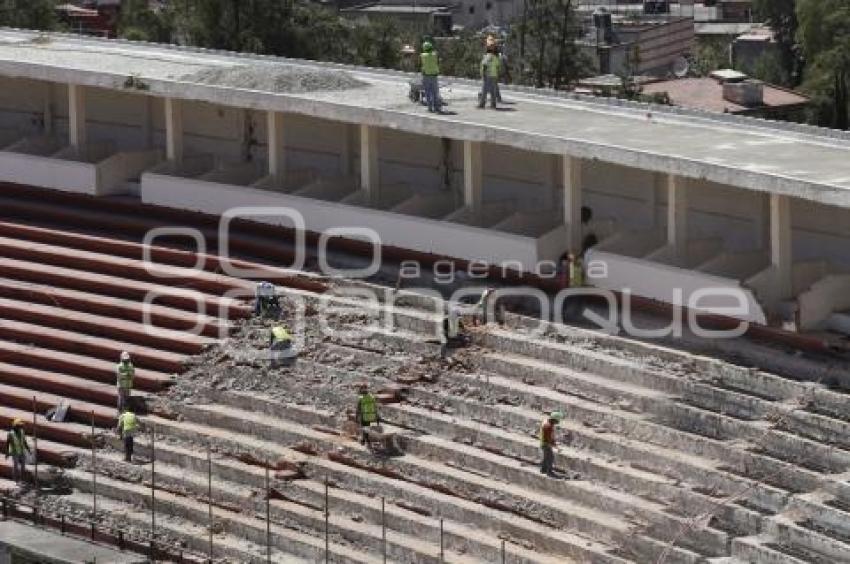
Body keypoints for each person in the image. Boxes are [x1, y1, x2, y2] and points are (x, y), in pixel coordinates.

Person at [5, 419, 31, 485]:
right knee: (15, 466)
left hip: (22, 451)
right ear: (15, 426)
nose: (21, 427)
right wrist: (7, 453)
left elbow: (24, 441)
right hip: (15, 452)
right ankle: (16, 480)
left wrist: (28, 449)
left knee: (23, 466)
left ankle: (22, 480)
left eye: (21, 426)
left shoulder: (22, 431)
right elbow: (7, 443)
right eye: (19, 426)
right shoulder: (10, 434)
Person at [420, 41, 441, 113]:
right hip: (434, 76)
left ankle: (430, 108)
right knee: (435, 92)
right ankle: (437, 108)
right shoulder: (435, 55)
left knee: (428, 92)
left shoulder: (422, 55)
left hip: (426, 76)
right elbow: (436, 54)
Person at [539, 411, 562, 477]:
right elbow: (549, 438)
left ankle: (543, 469)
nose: (558, 422)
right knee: (550, 457)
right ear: (554, 419)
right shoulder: (548, 426)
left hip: (543, 442)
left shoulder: (546, 422)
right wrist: (556, 447)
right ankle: (549, 471)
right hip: (546, 443)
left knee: (546, 457)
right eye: (558, 420)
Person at [479, 45, 501, 109]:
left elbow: (484, 66)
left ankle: (482, 104)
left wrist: (483, 74)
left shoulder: (487, 56)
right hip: (494, 75)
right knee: (492, 91)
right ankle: (493, 104)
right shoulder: (496, 57)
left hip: (487, 75)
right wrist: (497, 75)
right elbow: (498, 67)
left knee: (484, 90)